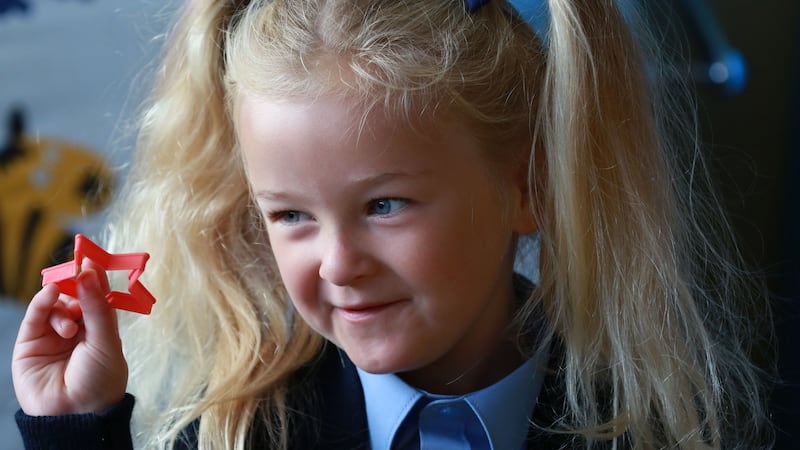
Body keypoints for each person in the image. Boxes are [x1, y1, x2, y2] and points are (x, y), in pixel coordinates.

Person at [11, 0, 773, 448]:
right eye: (292, 216)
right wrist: (77, 430)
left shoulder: (655, 428)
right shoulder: (239, 436)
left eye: (385, 206)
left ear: (529, 184)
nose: (338, 263)